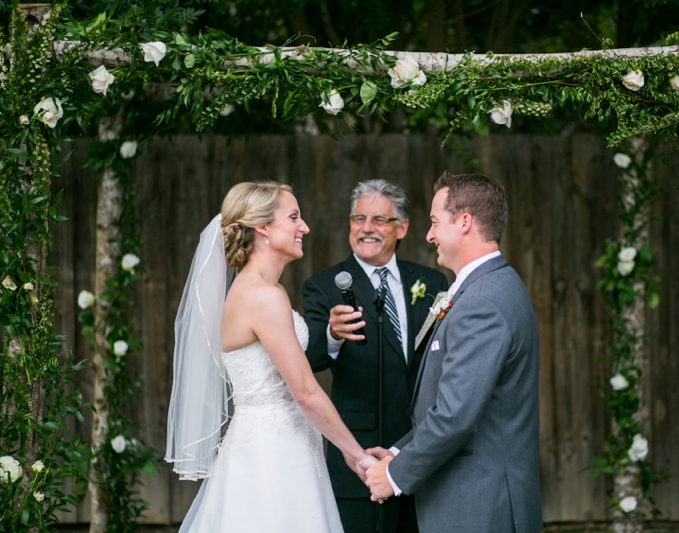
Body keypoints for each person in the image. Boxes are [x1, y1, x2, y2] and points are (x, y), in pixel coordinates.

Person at [165, 181, 377, 533]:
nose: (304, 227)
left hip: (281, 444)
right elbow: (306, 391)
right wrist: (357, 454)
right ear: (262, 227)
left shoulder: (261, 290)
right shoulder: (263, 296)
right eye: (294, 217)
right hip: (273, 458)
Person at [365, 172, 543, 533]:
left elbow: (455, 415)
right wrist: (399, 452)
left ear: (464, 222)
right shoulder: (487, 287)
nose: (429, 235)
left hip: (478, 506)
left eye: (434, 222)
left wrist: (395, 475)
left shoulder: (482, 301)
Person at [303, 180, 448, 533]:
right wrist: (332, 334)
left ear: (402, 228)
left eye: (380, 220)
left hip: (420, 452)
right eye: (359, 218)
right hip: (360, 456)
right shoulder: (323, 285)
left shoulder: (430, 281)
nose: (366, 228)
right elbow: (308, 359)